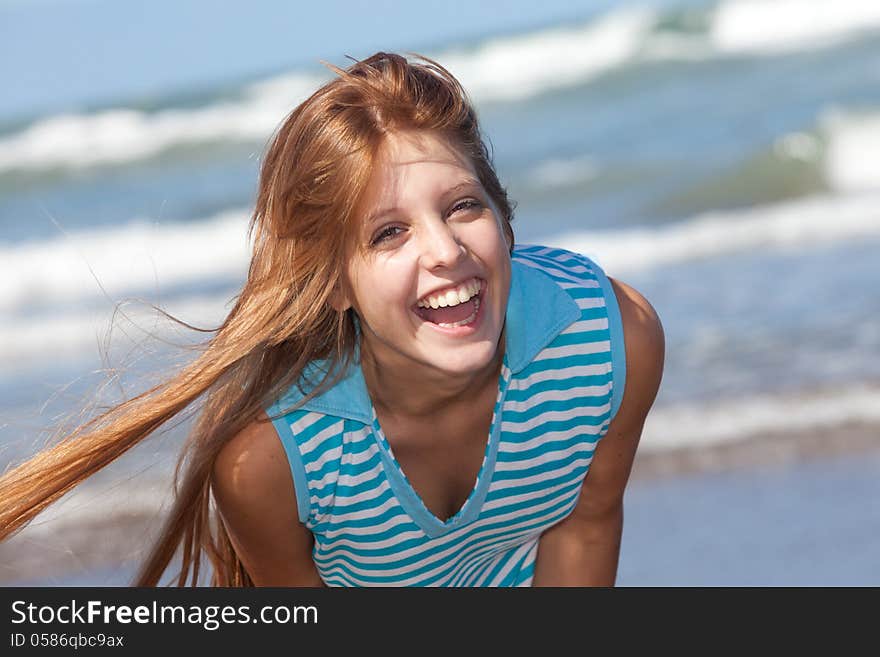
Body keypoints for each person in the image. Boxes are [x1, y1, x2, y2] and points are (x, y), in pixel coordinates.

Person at [0, 52, 664, 586]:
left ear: (504, 218)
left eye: (463, 205)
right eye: (389, 233)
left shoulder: (607, 343)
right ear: (335, 285)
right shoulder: (274, 459)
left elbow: (585, 526)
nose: (444, 250)